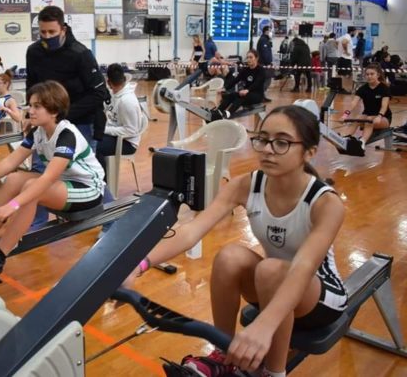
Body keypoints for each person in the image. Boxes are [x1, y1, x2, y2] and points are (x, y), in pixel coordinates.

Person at [125, 105, 348, 377]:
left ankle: (273, 373)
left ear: (309, 152)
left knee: (271, 269)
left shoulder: (326, 203)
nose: (267, 149)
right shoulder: (247, 185)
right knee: (230, 256)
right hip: (271, 285)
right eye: (263, 139)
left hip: (319, 299)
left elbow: (303, 268)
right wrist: (139, 265)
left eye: (282, 143)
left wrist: (264, 324)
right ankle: (223, 354)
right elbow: (191, 231)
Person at [0, 81, 105, 275]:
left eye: (37, 106)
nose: (30, 111)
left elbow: (47, 178)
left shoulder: (67, 135)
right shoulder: (38, 132)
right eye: (30, 105)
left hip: (88, 190)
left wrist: (12, 205)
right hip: (64, 184)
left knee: (32, 188)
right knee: (14, 179)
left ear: (54, 111)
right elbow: (10, 162)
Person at [26, 5, 110, 227]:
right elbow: (31, 86)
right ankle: (36, 225)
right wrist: (30, 113)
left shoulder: (80, 54)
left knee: (84, 174)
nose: (47, 37)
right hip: (48, 123)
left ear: (63, 29)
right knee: (39, 171)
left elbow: (100, 93)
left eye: (52, 32)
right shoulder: (34, 52)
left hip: (82, 123)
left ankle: (113, 223)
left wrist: (61, 115)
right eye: (43, 32)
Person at [96, 64, 148, 180]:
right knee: (91, 139)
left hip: (127, 143)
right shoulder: (114, 94)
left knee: (95, 147)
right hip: (116, 136)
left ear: (108, 82)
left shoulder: (127, 101)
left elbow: (131, 131)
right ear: (124, 78)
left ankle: (103, 184)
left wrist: (105, 130)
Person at [339, 63, 391, 155]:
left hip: (383, 118)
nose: (369, 76)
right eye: (367, 74)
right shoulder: (363, 89)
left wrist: (379, 116)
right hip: (367, 116)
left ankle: (362, 142)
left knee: (369, 120)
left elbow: (384, 106)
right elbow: (353, 104)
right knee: (358, 118)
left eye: (372, 74)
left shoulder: (384, 88)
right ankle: (346, 138)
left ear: (378, 75)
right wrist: (344, 115)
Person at [210, 49, 266, 121]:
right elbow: (236, 80)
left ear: (256, 58)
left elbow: (257, 83)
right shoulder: (246, 70)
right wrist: (225, 88)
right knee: (229, 95)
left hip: (257, 95)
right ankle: (216, 113)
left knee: (240, 98)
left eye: (251, 57)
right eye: (247, 57)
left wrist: (247, 90)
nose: (249, 59)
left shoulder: (261, 70)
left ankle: (226, 115)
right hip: (246, 93)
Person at [256, 26, 274, 102]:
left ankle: (261, 96)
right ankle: (260, 95)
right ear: (266, 31)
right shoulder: (263, 40)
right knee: (267, 80)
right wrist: (268, 63)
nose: (271, 32)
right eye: (270, 31)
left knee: (265, 80)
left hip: (265, 63)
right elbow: (265, 52)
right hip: (264, 63)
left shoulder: (266, 40)